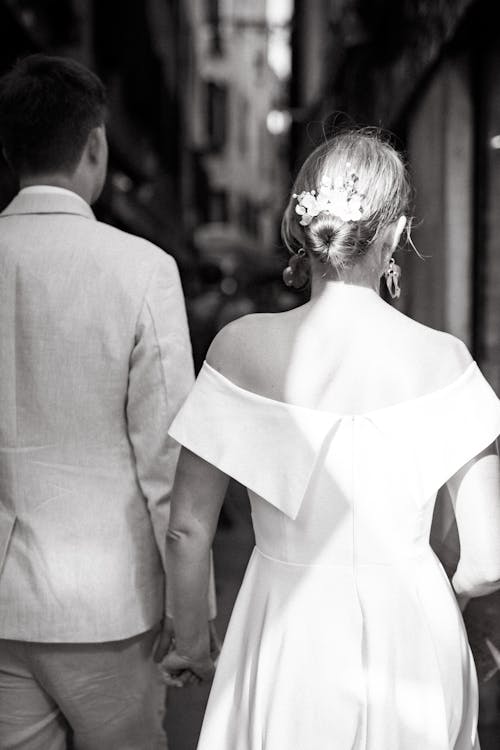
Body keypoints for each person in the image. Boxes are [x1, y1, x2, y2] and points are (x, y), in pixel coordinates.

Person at [161, 130, 500, 749]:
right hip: (413, 643)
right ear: (395, 234)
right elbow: (486, 560)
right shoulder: (446, 362)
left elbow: (187, 530)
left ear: (301, 225)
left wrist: (192, 643)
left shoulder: (240, 347)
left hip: (286, 631)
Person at [0, 54, 216, 749]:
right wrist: (192, 619)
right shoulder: (143, 270)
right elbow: (167, 463)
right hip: (109, 608)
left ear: (10, 151)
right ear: (95, 146)